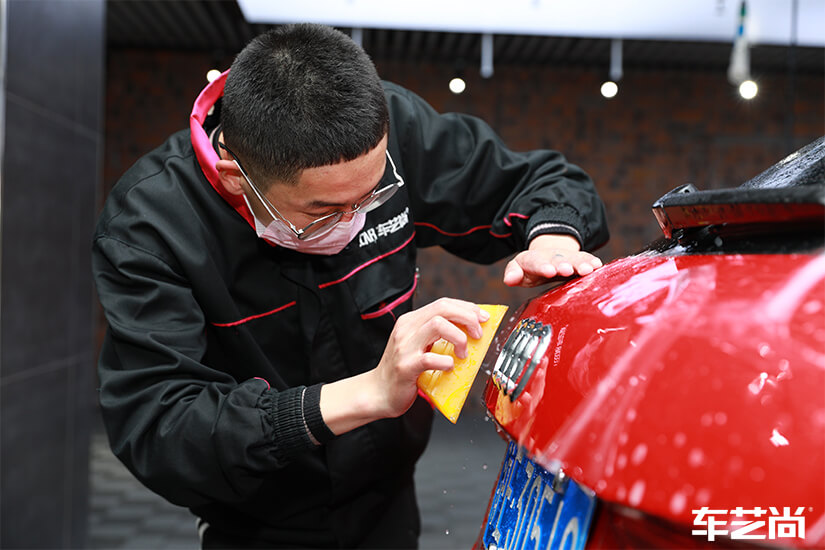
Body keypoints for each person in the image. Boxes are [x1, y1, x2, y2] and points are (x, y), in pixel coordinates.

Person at [92, 23, 609, 549]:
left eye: (372, 197)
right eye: (322, 213)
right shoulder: (151, 225)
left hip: (388, 500)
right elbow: (162, 430)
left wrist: (554, 240)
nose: (355, 222)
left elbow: (544, 181)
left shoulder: (386, 127)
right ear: (234, 178)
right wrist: (368, 393)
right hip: (257, 521)